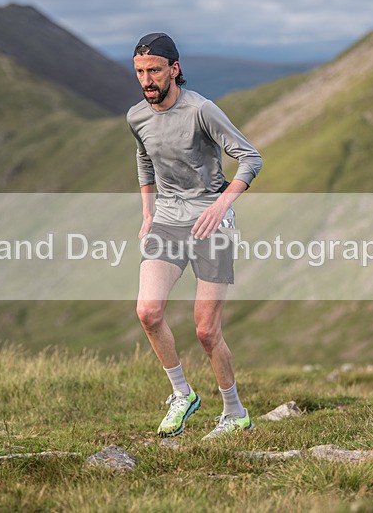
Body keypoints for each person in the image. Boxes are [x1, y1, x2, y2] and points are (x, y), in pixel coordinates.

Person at [126, 32, 263, 440]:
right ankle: (182, 394)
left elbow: (250, 157)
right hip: (167, 222)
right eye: (140, 72)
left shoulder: (202, 110)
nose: (147, 80)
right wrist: (148, 211)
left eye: (154, 71)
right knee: (148, 312)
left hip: (211, 224)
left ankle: (235, 412)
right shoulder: (136, 116)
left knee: (206, 331)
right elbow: (144, 157)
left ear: (174, 69)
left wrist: (223, 204)